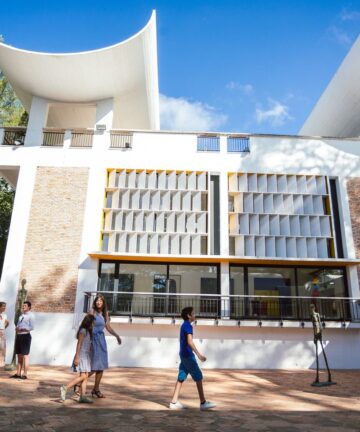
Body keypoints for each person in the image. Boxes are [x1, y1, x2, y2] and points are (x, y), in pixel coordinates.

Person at [169, 306, 216, 410]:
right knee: (198, 376)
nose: (195, 315)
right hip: (188, 355)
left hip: (183, 354)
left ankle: (173, 402)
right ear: (188, 316)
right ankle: (203, 403)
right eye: (193, 313)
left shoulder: (184, 325)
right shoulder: (188, 326)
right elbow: (190, 342)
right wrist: (199, 355)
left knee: (181, 377)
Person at [87, 294, 122, 398]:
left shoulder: (105, 313)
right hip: (94, 339)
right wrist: (88, 341)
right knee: (94, 367)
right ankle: (78, 383)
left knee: (101, 367)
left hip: (102, 341)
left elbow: (108, 327)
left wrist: (117, 336)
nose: (98, 302)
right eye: (97, 300)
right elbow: (88, 326)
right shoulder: (92, 312)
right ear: (95, 302)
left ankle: (96, 389)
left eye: (100, 301)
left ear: (103, 302)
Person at [60, 314, 95, 403]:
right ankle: (65, 387)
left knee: (85, 376)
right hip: (81, 355)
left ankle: (82, 396)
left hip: (86, 356)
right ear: (89, 322)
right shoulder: (83, 331)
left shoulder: (88, 331)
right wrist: (77, 356)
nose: (94, 325)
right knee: (83, 376)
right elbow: (79, 344)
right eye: (93, 323)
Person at [10, 301, 35, 380]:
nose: (23, 307)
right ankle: (18, 373)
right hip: (19, 336)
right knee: (19, 355)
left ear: (29, 307)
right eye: (23, 305)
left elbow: (32, 327)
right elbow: (18, 325)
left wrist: (24, 329)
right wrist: (17, 329)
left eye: (25, 306)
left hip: (25, 336)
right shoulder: (21, 316)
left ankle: (25, 374)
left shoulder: (31, 316)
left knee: (25, 356)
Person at [0, 302, 9, 368]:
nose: (5, 308)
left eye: (5, 306)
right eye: (3, 306)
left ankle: (1, 362)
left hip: (2, 331)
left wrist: (6, 324)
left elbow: (5, 324)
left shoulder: (4, 315)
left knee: (2, 347)